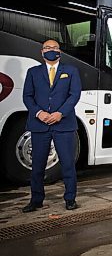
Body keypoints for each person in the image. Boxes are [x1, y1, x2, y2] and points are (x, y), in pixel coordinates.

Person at [22, 39, 82, 212]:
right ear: (42, 52)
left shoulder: (71, 71)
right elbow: (27, 96)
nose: (51, 50)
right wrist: (39, 113)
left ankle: (70, 199)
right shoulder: (33, 72)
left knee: (68, 164)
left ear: (59, 52)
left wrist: (60, 113)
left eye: (54, 48)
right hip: (39, 125)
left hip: (64, 124)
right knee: (37, 165)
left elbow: (74, 95)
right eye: (47, 48)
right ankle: (36, 200)